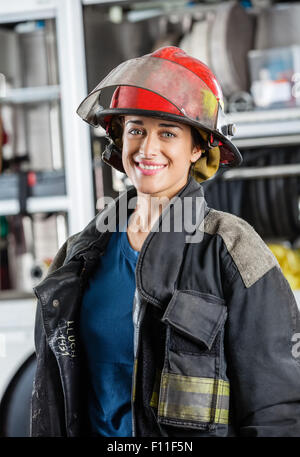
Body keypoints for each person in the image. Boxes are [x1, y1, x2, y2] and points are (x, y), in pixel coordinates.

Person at [30, 46, 300, 437]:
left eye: (168, 132)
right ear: (120, 139)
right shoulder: (80, 254)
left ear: (196, 148)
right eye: (136, 129)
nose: (147, 148)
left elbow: (277, 409)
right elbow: (54, 393)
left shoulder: (233, 250)